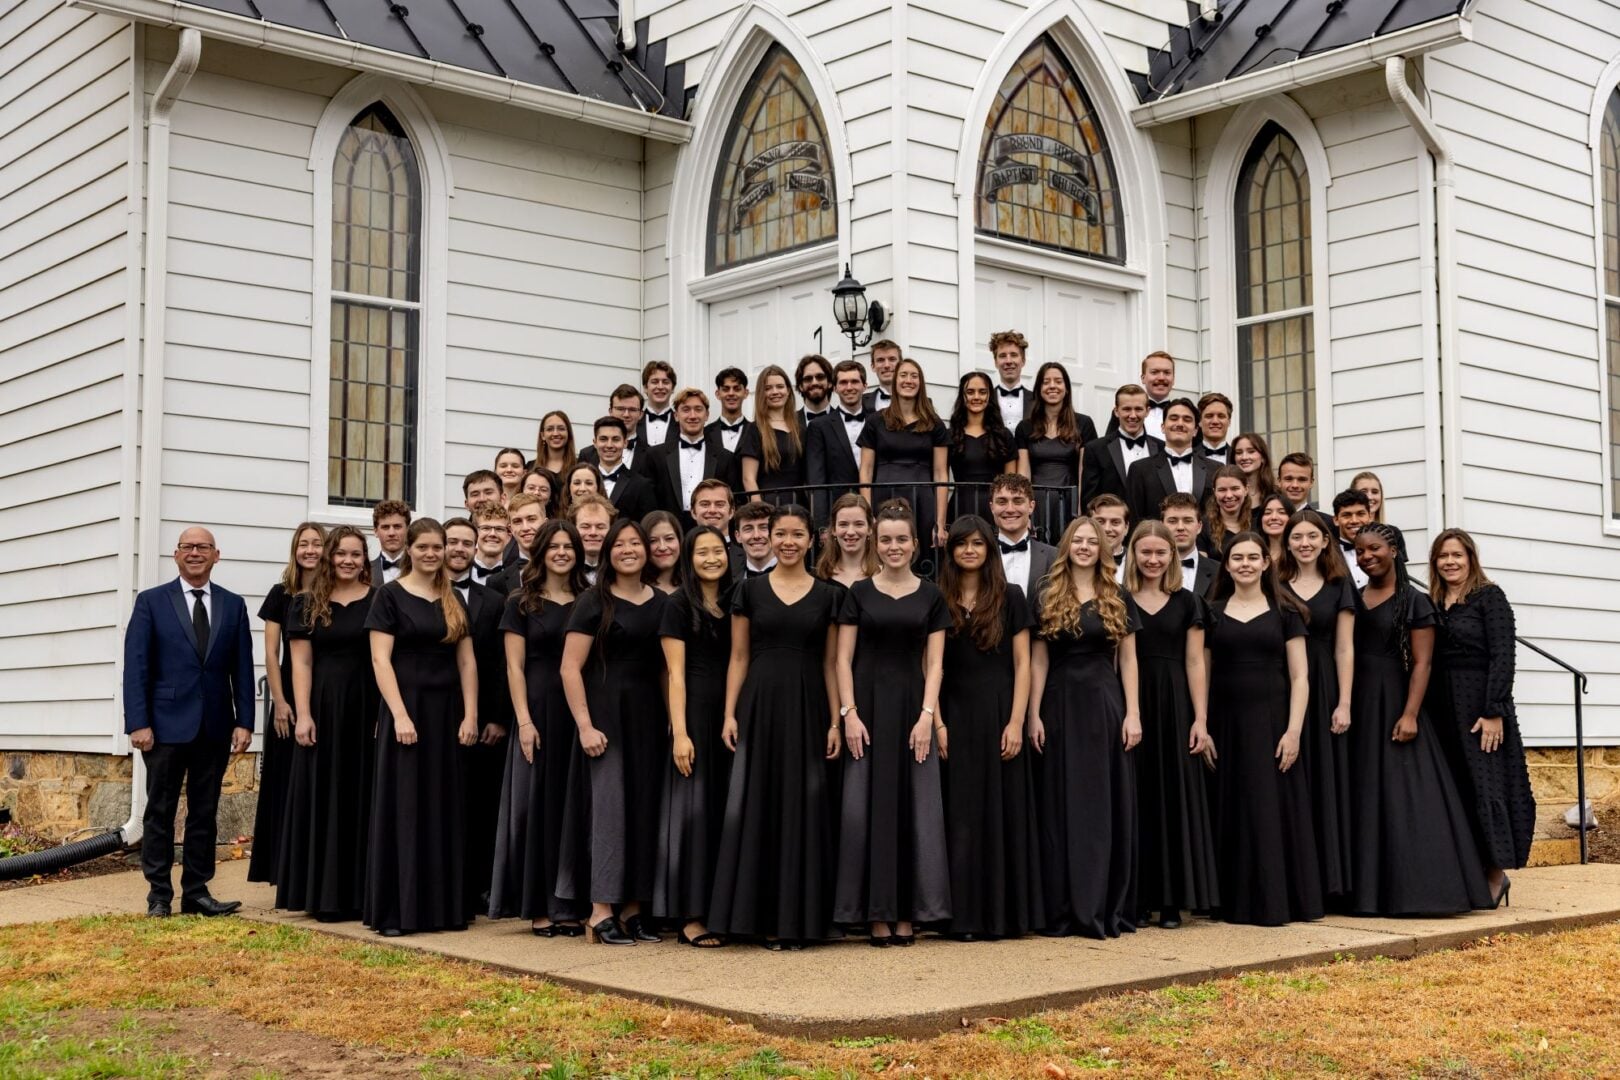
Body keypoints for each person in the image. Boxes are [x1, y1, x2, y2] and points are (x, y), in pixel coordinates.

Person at [708, 505, 844, 949]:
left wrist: (834, 719)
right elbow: (738, 657)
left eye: (797, 534)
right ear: (767, 537)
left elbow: (829, 662)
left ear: (812, 540)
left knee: (802, 807)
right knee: (758, 803)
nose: (787, 541)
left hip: (808, 707)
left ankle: (799, 920)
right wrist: (729, 713)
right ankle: (754, 916)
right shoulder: (748, 591)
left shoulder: (829, 595)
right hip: (759, 705)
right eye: (780, 533)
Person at [1348, 524, 1493, 916]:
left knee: (1404, 796)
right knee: (1365, 794)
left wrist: (1410, 713)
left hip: (1395, 700)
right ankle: (1365, 892)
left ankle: (1417, 889)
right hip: (1357, 702)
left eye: (1374, 548)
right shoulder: (1354, 597)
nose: (1366, 557)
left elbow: (1423, 663)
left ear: (1393, 549)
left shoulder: (1414, 601)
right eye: (1359, 551)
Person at [834, 501, 952, 944]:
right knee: (867, 809)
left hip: (912, 712)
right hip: (866, 711)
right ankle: (873, 912)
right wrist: (849, 715)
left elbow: (935, 663)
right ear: (874, 543)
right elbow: (843, 659)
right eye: (886, 539)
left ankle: (909, 911)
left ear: (915, 543)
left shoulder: (931, 594)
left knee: (914, 810)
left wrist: (927, 717)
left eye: (902, 538)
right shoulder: (857, 593)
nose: (894, 546)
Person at [124, 527, 255, 918]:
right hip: (163, 728)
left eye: (203, 547)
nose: (195, 553)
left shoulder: (233, 606)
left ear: (217, 555)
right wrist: (138, 723)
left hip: (214, 728)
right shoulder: (151, 602)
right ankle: (159, 896)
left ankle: (197, 892)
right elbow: (137, 668)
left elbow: (242, 669)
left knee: (204, 813)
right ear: (176, 555)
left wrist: (244, 721)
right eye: (188, 547)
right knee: (159, 812)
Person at [558, 518, 673, 944]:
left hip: (646, 716)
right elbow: (570, 668)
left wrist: (671, 722)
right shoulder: (593, 601)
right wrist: (585, 725)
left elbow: (665, 670)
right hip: (604, 716)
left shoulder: (661, 603)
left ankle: (635, 909)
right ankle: (600, 910)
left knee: (645, 808)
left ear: (647, 551)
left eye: (635, 543)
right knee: (608, 812)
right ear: (607, 552)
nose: (628, 550)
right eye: (619, 544)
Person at [364, 518, 480, 936]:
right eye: (424, 547)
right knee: (407, 807)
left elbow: (466, 661)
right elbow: (380, 660)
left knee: (442, 806)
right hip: (407, 712)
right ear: (409, 550)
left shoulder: (452, 598)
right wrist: (398, 714)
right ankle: (399, 911)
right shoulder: (389, 596)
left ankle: (442, 908)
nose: (432, 554)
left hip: (446, 711)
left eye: (438, 547)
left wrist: (470, 714)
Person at [1029, 515, 1141, 939]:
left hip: (1105, 705)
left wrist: (1133, 713)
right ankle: (1064, 908)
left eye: (1092, 541)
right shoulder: (1045, 593)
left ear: (1102, 548)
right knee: (1061, 804)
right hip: (1058, 704)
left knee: (1101, 803)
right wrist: (1032, 713)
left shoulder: (1117, 594)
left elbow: (1129, 659)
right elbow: (1038, 660)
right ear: (1066, 546)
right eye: (1077, 540)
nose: (1084, 546)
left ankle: (1101, 904)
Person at [1203, 532, 1321, 927]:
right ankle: (1233, 901)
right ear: (1227, 565)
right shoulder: (1211, 610)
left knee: (1272, 809)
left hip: (1273, 722)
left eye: (1253, 557)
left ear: (1266, 563)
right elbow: (1201, 670)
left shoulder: (1287, 611)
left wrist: (1293, 732)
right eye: (1237, 558)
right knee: (1232, 806)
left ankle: (1277, 900)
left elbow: (1300, 676)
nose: (1246, 564)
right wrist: (1202, 724)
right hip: (1225, 721)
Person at [938, 515, 1042, 940]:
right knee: (960, 814)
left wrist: (1017, 721)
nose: (969, 551)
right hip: (954, 714)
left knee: (1003, 812)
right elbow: (933, 665)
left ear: (989, 550)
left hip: (1000, 711)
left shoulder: (1012, 596)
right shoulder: (937, 597)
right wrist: (937, 721)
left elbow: (1023, 664)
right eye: (961, 544)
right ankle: (962, 917)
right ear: (951, 551)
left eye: (977, 544)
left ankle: (1005, 916)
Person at [489, 520, 590, 935]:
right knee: (539, 807)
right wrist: (524, 721)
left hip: (580, 711)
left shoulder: (589, 599)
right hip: (539, 710)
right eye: (555, 546)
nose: (563, 552)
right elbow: (513, 667)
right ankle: (539, 906)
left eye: (570, 546)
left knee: (574, 809)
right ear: (542, 551)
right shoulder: (521, 601)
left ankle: (572, 902)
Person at [1428, 528, 1534, 904]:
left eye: (1457, 555)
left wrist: (1494, 711)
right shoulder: (1434, 601)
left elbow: (1504, 657)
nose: (1450, 562)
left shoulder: (1490, 598)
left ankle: (1495, 872)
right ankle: (1466, 873)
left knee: (1485, 787)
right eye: (1443, 556)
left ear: (1470, 558)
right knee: (1455, 789)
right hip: (1442, 709)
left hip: (1480, 708)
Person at [279, 525, 377, 920]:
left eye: (356, 554)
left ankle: (362, 893)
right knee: (327, 793)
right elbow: (301, 662)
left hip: (368, 705)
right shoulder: (305, 603)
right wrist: (303, 714)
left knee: (365, 792)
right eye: (341, 554)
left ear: (364, 560)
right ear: (329, 557)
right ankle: (325, 894)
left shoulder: (380, 600)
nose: (348, 561)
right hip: (323, 704)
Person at [1123, 520, 1216, 929]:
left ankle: (1173, 901)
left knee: (1173, 797)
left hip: (1176, 701)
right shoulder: (1119, 598)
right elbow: (1119, 658)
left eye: (1161, 552)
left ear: (1172, 556)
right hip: (1134, 700)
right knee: (1136, 795)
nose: (1154, 559)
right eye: (1146, 552)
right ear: (1134, 554)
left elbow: (1196, 662)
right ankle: (1139, 897)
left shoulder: (1188, 602)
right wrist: (1128, 711)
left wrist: (1200, 718)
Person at [654, 526, 735, 947]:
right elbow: (675, 674)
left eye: (717, 550)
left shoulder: (736, 598)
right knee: (695, 815)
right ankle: (691, 915)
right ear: (689, 558)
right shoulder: (677, 605)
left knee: (727, 814)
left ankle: (725, 909)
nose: (711, 559)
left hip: (733, 715)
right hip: (696, 714)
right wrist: (680, 733)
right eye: (702, 552)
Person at [1279, 510, 1356, 903]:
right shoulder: (1274, 583)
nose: (1305, 543)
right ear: (1287, 542)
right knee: (1290, 780)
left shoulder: (1339, 585)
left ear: (1326, 541)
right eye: (1297, 537)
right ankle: (1294, 878)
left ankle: (1331, 882)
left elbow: (1345, 647)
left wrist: (1344, 701)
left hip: (1324, 684)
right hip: (1283, 687)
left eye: (1313, 536)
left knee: (1326, 781)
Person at [250, 521, 324, 886]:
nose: (310, 550)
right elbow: (270, 653)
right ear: (295, 550)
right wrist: (279, 701)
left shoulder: (334, 592)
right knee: (286, 781)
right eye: (303, 544)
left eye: (317, 544)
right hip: (289, 698)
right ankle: (282, 866)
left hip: (326, 691)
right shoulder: (281, 593)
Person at [445, 517, 510, 912]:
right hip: (433, 715)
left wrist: (499, 717)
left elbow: (503, 663)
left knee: (483, 806)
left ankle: (479, 888)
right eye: (451, 541)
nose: (458, 549)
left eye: (465, 543)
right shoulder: (417, 596)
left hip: (485, 721)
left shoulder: (495, 601)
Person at [859, 357, 950, 551]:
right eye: (903, 375)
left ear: (921, 383)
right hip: (883, 496)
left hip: (923, 499)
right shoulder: (876, 421)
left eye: (914, 376)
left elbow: (941, 474)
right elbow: (865, 471)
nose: (908, 380)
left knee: (922, 557)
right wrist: (867, 515)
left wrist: (940, 522)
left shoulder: (935, 423)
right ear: (895, 381)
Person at [1016, 362, 1097, 539]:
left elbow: (1086, 471)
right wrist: (1024, 512)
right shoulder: (1025, 427)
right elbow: (1023, 473)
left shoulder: (1083, 424)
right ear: (1038, 389)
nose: (1052, 386)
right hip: (1036, 501)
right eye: (1046, 382)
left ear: (1066, 388)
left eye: (1058, 381)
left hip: (1069, 500)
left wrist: (1081, 509)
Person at [644, 387, 739, 530]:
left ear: (707, 415)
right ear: (676, 415)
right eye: (686, 409)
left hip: (711, 530)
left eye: (698, 409)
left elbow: (733, 501)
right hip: (668, 530)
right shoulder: (656, 455)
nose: (692, 415)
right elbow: (649, 501)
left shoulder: (725, 457)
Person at [1125, 399, 1212, 525]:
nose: (1180, 423)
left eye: (1187, 419)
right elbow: (1134, 518)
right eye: (1173, 418)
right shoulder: (1140, 469)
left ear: (1195, 430)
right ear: (1163, 427)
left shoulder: (1214, 469)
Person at [805, 359, 872, 523]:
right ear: (834, 388)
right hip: (837, 513)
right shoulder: (819, 426)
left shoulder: (878, 421)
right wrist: (821, 524)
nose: (849, 387)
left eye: (855, 381)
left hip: (876, 511)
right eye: (843, 382)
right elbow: (817, 480)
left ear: (865, 385)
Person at [946, 370, 1017, 521]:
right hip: (960, 506)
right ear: (963, 396)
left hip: (996, 509)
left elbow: (1011, 483)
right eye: (970, 392)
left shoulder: (1004, 436)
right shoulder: (950, 435)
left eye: (982, 392)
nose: (976, 397)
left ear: (989, 396)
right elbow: (940, 475)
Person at [1081, 384, 1161, 509]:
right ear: (1116, 411)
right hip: (1111, 525)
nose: (1133, 415)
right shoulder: (1096, 449)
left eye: (1138, 409)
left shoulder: (1161, 447)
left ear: (1147, 411)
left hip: (1152, 526)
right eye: (1127, 409)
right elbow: (1090, 500)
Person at [737, 364, 807, 505]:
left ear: (788, 390)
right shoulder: (754, 429)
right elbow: (748, 478)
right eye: (768, 388)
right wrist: (760, 510)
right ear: (761, 394)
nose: (775, 392)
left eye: (780, 387)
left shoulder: (801, 428)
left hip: (799, 506)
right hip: (769, 505)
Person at [991, 473, 1057, 600]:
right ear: (992, 507)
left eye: (1018, 501)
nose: (1010, 509)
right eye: (1002, 501)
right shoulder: (981, 555)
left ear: (1031, 506)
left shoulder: (1054, 556)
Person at [591, 416, 657, 522]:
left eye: (615, 439)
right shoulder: (583, 482)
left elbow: (646, 526)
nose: (609, 445)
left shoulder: (642, 485)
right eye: (603, 439)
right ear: (595, 442)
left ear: (625, 443)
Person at [1106, 352, 1177, 441]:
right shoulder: (1123, 412)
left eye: (1167, 372)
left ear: (1173, 379)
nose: (1161, 378)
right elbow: (1109, 446)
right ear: (1143, 378)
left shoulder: (1183, 414)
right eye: (1154, 372)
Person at [579, 385, 649, 471]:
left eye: (632, 409)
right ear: (610, 411)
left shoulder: (651, 456)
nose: (626, 414)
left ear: (641, 414)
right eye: (620, 409)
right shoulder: (586, 455)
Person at [815, 492, 877, 589]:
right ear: (833, 530)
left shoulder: (884, 576)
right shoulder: (817, 579)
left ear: (870, 529)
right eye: (843, 524)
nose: (850, 532)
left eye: (858, 524)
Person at [1161, 493, 1217, 597]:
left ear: (1199, 527)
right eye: (1173, 521)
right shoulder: (1150, 570)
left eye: (1188, 521)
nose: (1180, 527)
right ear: (1162, 526)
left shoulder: (1219, 572)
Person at [487, 494, 543, 596]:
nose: (525, 527)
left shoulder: (566, 571)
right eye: (517, 521)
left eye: (531, 519)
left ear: (545, 523)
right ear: (511, 529)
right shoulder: (496, 582)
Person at [1352, 470, 1407, 561]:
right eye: (1364, 491)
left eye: (1375, 492)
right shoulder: (1346, 534)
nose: (1369, 497)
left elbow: (1400, 572)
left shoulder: (1393, 533)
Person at [988, 330, 1037, 429]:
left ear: (1023, 361)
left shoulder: (1037, 400)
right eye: (1002, 356)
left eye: (1014, 355)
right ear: (996, 362)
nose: (1008, 361)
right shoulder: (986, 399)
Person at [1202, 465, 1252, 558]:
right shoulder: (1203, 526)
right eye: (1222, 490)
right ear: (1214, 492)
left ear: (1246, 489)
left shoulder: (1259, 522)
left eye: (1235, 488)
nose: (1229, 495)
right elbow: (1203, 567)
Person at [1277, 453, 1333, 534]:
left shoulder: (1328, 523)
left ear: (1311, 482)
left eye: (1302, 479)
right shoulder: (1266, 521)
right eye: (1288, 479)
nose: (1295, 485)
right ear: (1279, 481)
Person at [569, 494, 617, 583]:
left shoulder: (620, 571)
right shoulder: (563, 569)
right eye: (585, 526)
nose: (593, 533)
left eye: (600, 527)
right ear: (573, 528)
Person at [1332, 489, 1372, 588]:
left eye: (1360, 514)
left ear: (1370, 516)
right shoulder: (1326, 554)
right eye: (1347, 515)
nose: (1354, 520)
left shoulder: (1383, 551)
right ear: (1336, 520)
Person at [706, 367, 752, 454]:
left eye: (737, 389)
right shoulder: (705, 433)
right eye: (726, 389)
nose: (731, 393)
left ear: (745, 393)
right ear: (718, 394)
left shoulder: (756, 432)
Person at [1087, 494, 1132, 582]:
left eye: (1115, 522)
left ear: (1126, 528)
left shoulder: (1138, 563)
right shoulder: (1075, 561)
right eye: (1100, 522)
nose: (1107, 529)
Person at [467, 502, 511, 588]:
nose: (492, 534)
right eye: (486, 528)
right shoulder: (459, 573)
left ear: (509, 535)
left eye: (499, 529)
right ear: (475, 533)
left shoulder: (518, 575)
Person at [732, 500, 776, 580]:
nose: (756, 536)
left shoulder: (794, 574)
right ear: (738, 536)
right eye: (748, 529)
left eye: (764, 528)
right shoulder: (729, 580)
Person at [371, 500, 411, 583]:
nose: (391, 533)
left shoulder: (420, 569)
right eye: (385, 527)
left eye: (397, 527)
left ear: (408, 530)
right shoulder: (364, 571)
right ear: (376, 531)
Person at [1231, 432, 1276, 506]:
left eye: (1251, 451)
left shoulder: (1275, 493)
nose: (1244, 457)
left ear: (1263, 458)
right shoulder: (1227, 495)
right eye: (1239, 453)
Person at [643, 510, 683, 594]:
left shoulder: (695, 587)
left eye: (669, 539)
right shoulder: (636, 589)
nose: (662, 547)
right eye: (653, 541)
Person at [641, 360, 677, 448]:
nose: (660, 387)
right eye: (655, 382)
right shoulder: (634, 421)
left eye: (665, 382)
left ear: (672, 388)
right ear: (645, 388)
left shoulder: (682, 424)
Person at [863, 339, 902, 413]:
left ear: (901, 365)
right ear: (873, 366)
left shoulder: (919, 401)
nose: (887, 365)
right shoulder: (861, 402)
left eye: (892, 359)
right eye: (880, 360)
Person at [1257, 491, 1295, 567]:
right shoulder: (1254, 552)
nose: (1274, 517)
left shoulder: (1298, 554)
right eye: (1268, 513)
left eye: (1281, 512)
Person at [534, 410, 577, 476]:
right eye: (550, 429)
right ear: (542, 435)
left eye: (561, 429)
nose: (555, 433)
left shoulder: (579, 467)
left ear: (568, 433)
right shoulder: (531, 468)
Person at [795, 353, 835, 424]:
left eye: (820, 377)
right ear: (800, 386)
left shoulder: (843, 420)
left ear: (830, 383)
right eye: (808, 378)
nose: (814, 383)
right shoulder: (789, 422)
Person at [1197, 393, 1233, 464]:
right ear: (1200, 421)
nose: (1215, 421)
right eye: (1209, 416)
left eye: (1221, 416)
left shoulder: (1238, 457)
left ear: (1229, 421)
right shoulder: (1188, 456)